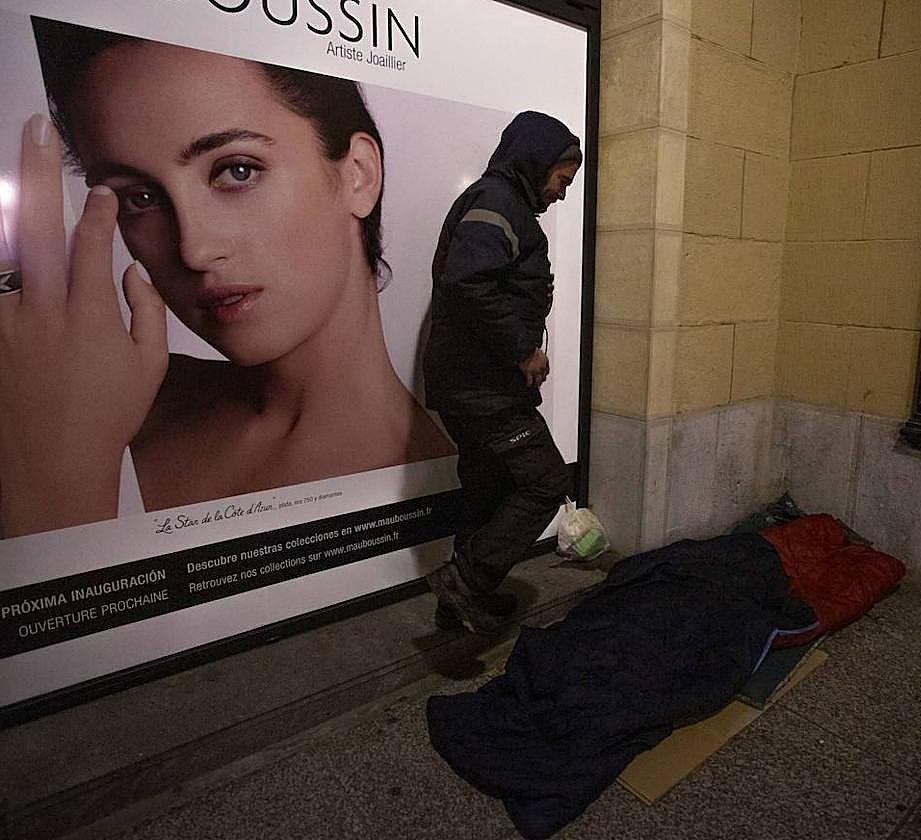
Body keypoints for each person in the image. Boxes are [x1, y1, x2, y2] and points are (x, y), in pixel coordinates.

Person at [0, 18, 453, 538]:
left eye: (237, 170)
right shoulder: (89, 403)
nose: (193, 249)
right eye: (139, 198)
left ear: (359, 174)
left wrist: (52, 513)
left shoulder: (433, 484)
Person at [423, 111, 580, 634]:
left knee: (486, 490)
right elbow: (468, 282)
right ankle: (465, 581)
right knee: (545, 481)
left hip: (469, 384)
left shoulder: (503, 206)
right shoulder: (497, 203)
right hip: (481, 388)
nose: (561, 194)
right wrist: (522, 350)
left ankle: (460, 606)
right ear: (538, 164)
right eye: (562, 180)